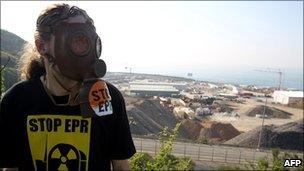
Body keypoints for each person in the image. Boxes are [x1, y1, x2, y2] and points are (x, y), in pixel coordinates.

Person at [0, 3, 136, 171]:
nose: (83, 52)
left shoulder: (107, 97)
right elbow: (10, 167)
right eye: (76, 41)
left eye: (86, 42)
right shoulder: (16, 100)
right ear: (42, 46)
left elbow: (121, 166)